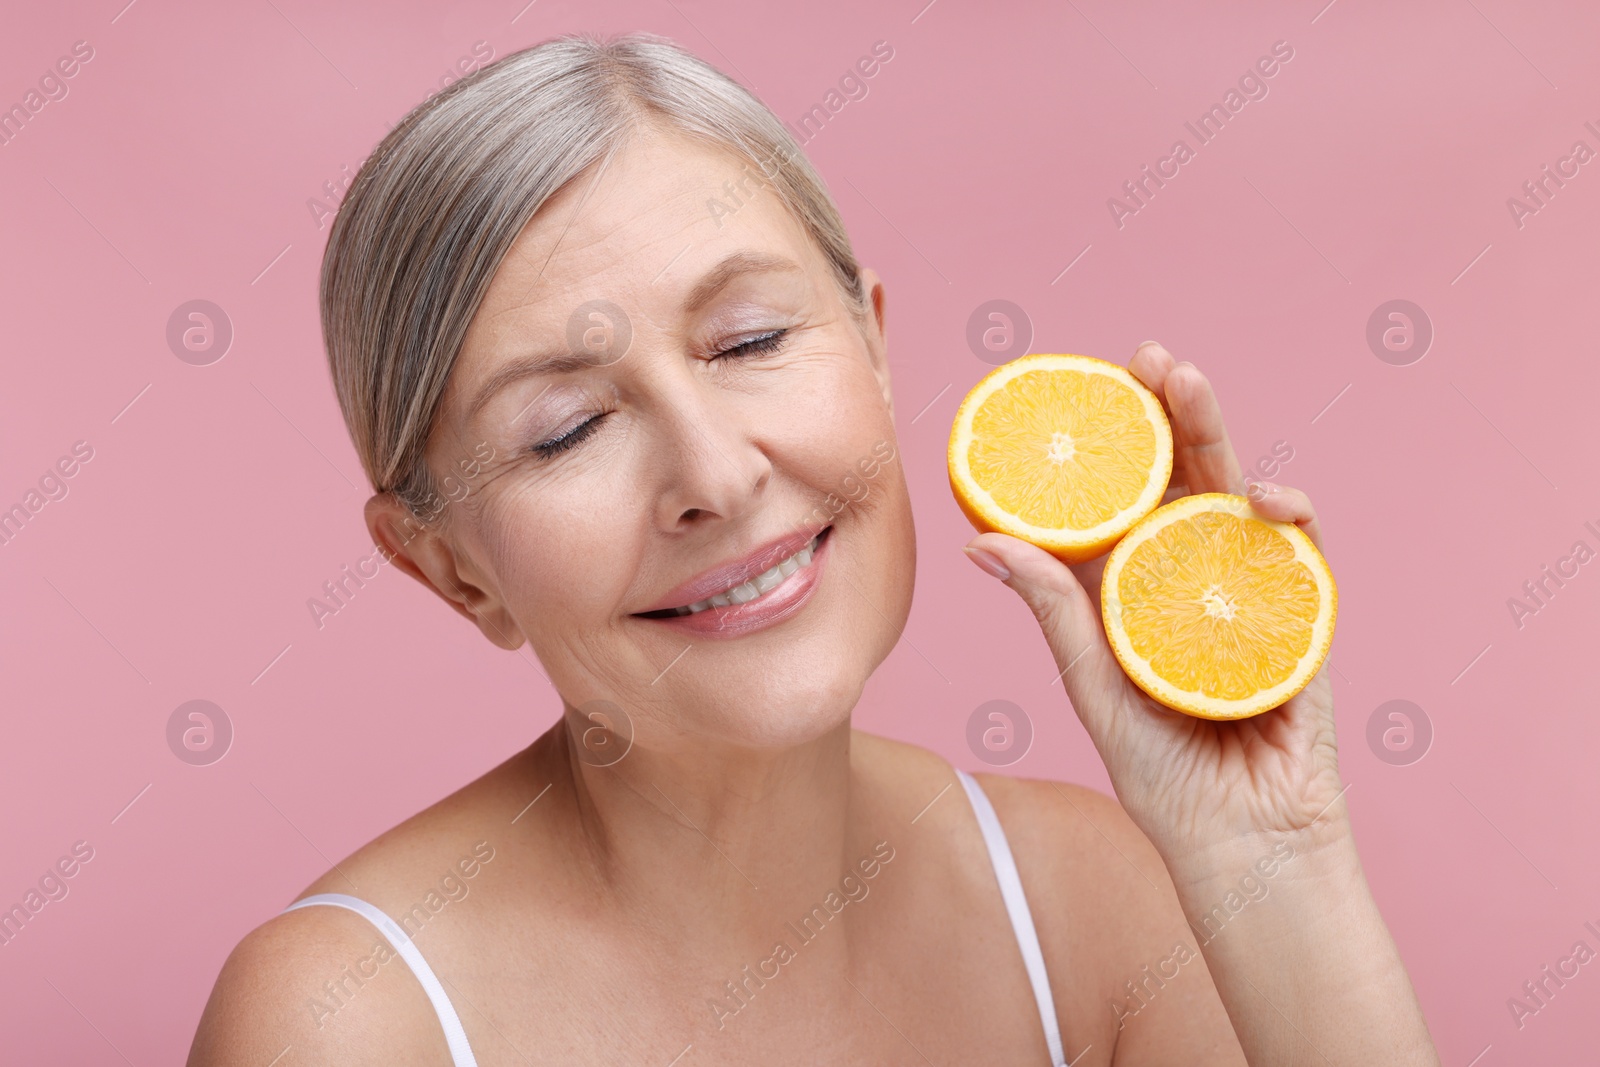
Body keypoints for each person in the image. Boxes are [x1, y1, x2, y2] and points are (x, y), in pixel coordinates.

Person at [188, 31, 1440, 1066]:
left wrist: (1270, 861)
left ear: (877, 349)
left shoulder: (1096, 911)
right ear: (446, 565)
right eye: (566, 429)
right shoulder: (346, 1018)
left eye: (746, 343)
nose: (715, 474)